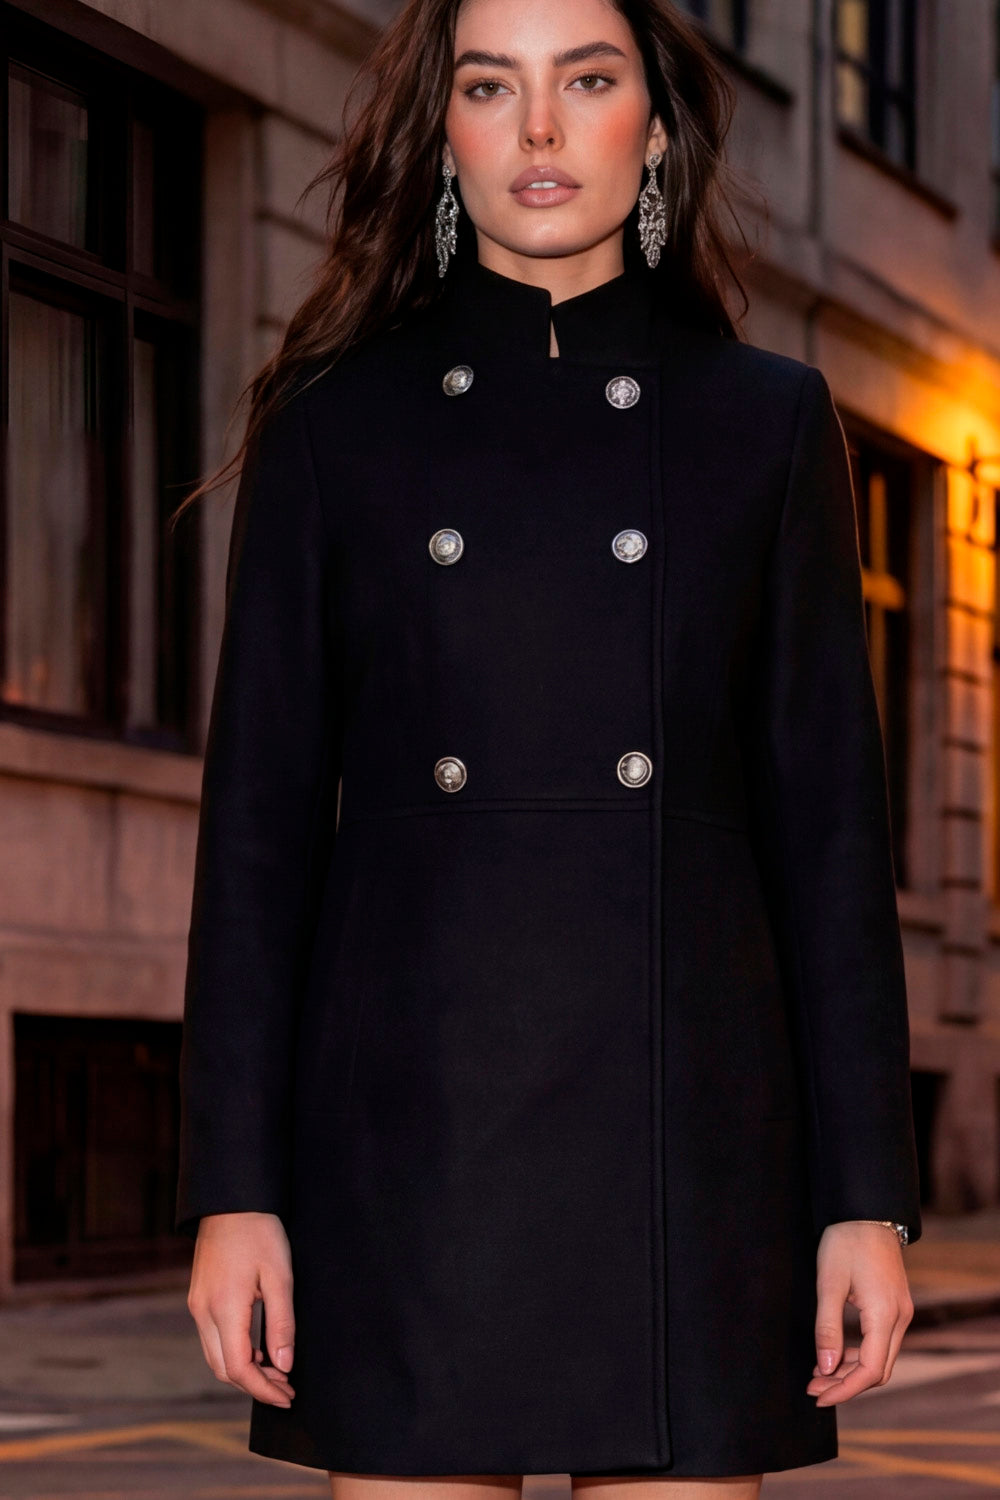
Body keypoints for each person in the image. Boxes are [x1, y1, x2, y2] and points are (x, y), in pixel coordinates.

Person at [173, 1, 922, 1497]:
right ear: (441, 132)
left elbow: (831, 840)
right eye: (488, 85)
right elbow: (257, 838)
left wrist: (865, 1198)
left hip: (687, 1142)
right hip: (412, 1144)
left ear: (656, 125)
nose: (537, 129)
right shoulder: (333, 423)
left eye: (585, 79)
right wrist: (234, 1190)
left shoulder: (767, 425)